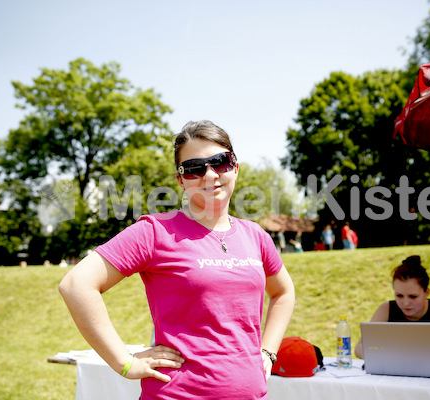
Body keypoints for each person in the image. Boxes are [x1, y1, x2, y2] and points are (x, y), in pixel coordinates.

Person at [59, 120, 295, 399]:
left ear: (235, 167)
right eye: (194, 168)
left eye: (220, 162)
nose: (209, 175)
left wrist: (267, 351)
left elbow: (283, 292)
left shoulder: (255, 235)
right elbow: (76, 285)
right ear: (181, 180)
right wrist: (125, 363)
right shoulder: (155, 231)